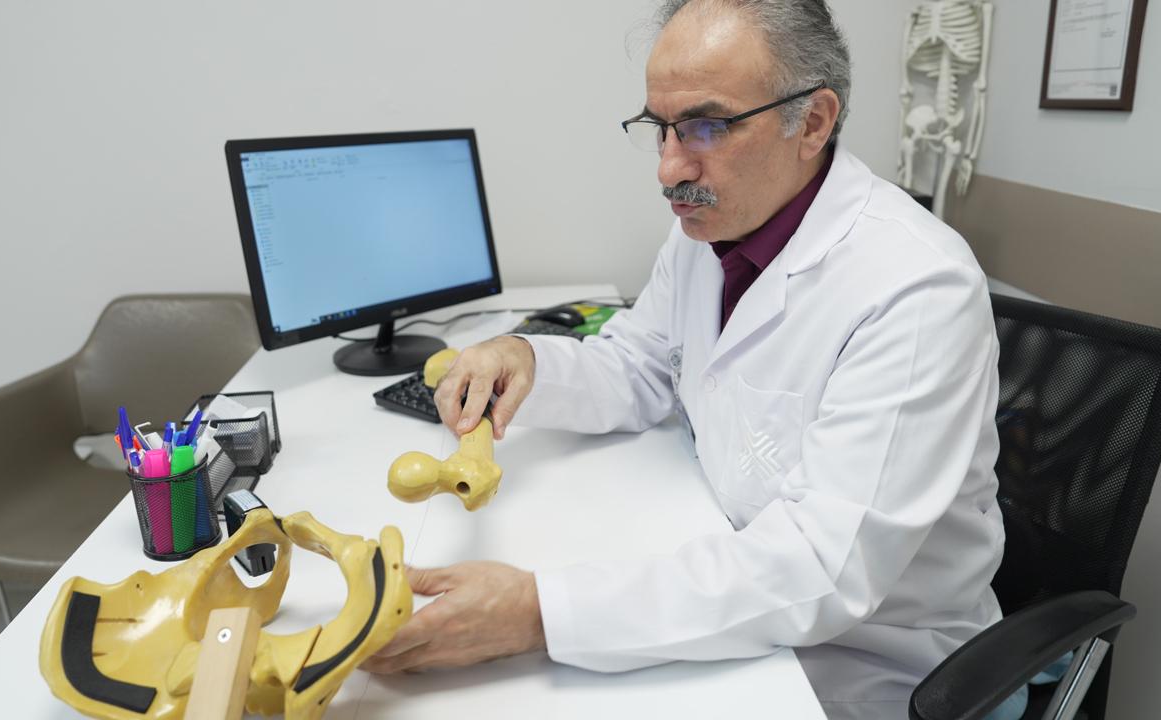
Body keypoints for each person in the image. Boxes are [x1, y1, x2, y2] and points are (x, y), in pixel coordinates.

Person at [361, 1, 1008, 717]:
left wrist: (538, 613)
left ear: (814, 122)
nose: (669, 169)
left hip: (868, 660)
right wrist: (527, 359)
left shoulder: (915, 286)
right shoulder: (711, 230)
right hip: (721, 566)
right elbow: (642, 367)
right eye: (661, 128)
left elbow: (824, 568)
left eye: (708, 126)